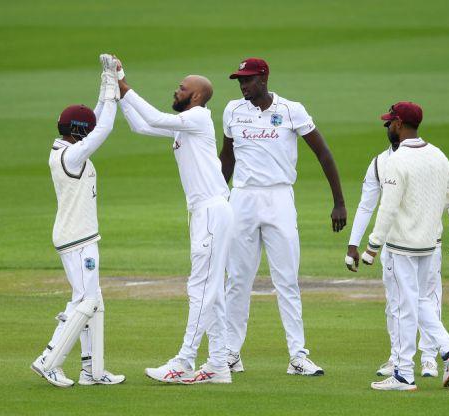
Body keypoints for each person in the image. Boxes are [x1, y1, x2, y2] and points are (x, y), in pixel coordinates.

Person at [219, 58, 346, 375]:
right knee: (237, 279)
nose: (243, 85)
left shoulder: (292, 110)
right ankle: (230, 353)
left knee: (287, 280)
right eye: (240, 81)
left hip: (279, 198)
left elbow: (324, 154)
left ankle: (297, 356)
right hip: (242, 198)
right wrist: (216, 201)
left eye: (248, 80)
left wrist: (339, 202)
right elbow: (227, 159)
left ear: (263, 78)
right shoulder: (232, 110)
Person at [117, 61, 234, 384]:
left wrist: (125, 86)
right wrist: (119, 96)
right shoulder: (186, 123)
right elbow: (142, 127)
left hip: (211, 211)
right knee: (213, 292)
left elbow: (154, 117)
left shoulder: (196, 118)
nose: (176, 89)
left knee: (200, 289)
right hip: (206, 212)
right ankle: (218, 364)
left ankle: (184, 361)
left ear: (196, 97)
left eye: (182, 87)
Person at [345, 104, 449, 379]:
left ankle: (403, 374)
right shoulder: (436, 154)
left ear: (399, 124)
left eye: (390, 123)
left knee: (402, 306)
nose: (387, 127)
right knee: (421, 301)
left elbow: (387, 209)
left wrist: (372, 246)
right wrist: (427, 213)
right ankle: (448, 351)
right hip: (429, 243)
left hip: (402, 246)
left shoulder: (396, 161)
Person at [30, 55, 125, 388]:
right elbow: (107, 126)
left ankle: (92, 371)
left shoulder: (66, 148)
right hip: (77, 238)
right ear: (79, 132)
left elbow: (95, 121)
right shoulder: (72, 155)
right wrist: (113, 83)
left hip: (78, 235)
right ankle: (48, 360)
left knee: (90, 302)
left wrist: (107, 77)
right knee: (85, 302)